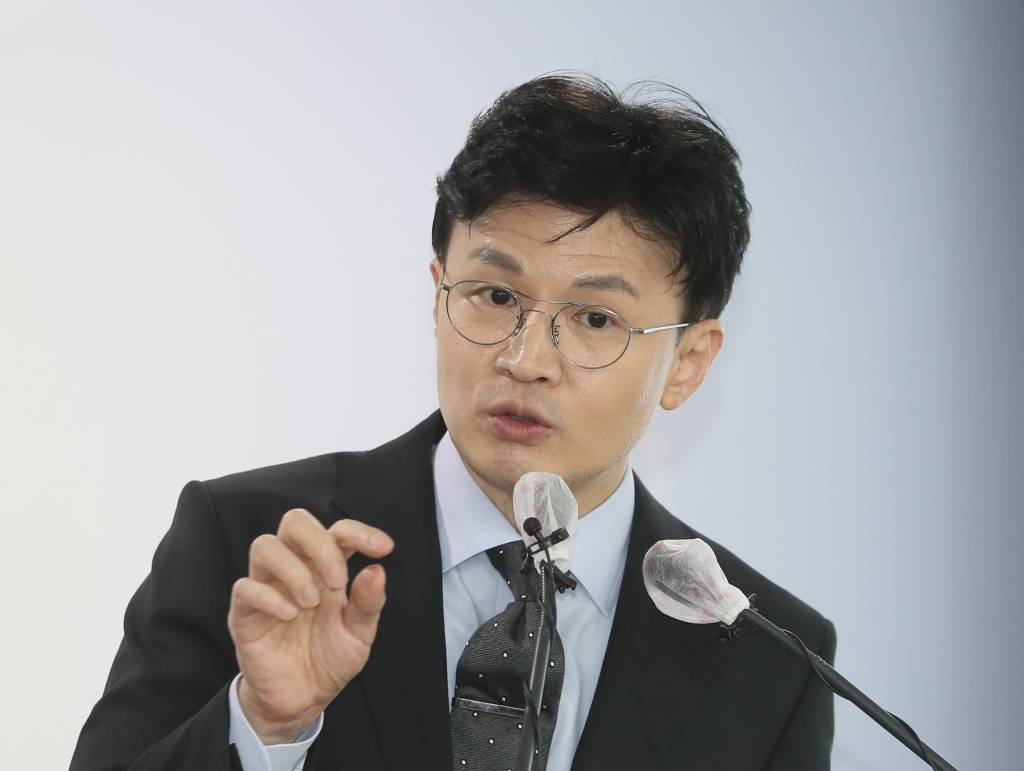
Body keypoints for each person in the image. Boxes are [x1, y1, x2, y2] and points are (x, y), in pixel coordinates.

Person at [71, 73, 836, 771]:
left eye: (596, 318)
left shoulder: (770, 661)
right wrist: (264, 724)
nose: (526, 359)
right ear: (438, 294)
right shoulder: (253, 549)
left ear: (689, 362)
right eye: (496, 297)